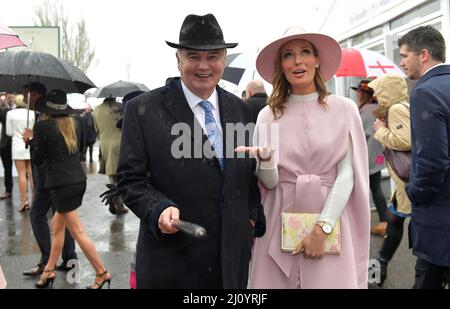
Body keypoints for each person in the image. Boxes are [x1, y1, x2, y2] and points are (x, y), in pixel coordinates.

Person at [117, 13, 262, 289]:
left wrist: (251, 216)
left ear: (224, 60)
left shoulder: (240, 109)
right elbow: (130, 181)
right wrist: (158, 208)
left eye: (214, 56)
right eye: (194, 56)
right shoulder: (143, 111)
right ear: (179, 60)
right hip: (173, 264)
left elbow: (245, 174)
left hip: (231, 264)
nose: (204, 66)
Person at [237, 27, 370, 289]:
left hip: (330, 216)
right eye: (288, 55)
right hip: (278, 219)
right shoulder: (267, 115)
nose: (297, 61)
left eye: (305, 52)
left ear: (317, 59)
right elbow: (270, 182)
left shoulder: (345, 109)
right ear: (281, 66)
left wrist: (323, 229)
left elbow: (347, 175)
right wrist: (265, 161)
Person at [29, 89, 111, 289]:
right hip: (77, 180)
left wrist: (31, 141)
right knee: (58, 228)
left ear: (47, 109)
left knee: (78, 232)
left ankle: (102, 273)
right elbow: (81, 148)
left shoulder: (42, 126)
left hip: (60, 185)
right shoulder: (76, 122)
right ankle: (48, 271)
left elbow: (38, 159)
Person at [398, 26, 450, 289]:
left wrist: (414, 192)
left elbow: (433, 161)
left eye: (405, 55)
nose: (401, 62)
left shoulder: (425, 92)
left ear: (424, 55)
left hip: (439, 220)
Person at [22, 83, 78, 278]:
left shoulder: (44, 118)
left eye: (26, 93)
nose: (23, 97)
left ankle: (47, 261)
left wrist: (32, 140)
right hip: (67, 178)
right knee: (63, 218)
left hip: (49, 179)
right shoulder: (67, 120)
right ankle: (70, 259)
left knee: (37, 215)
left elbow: (40, 155)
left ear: (36, 94)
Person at [368, 74, 411, 287]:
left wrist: (380, 130)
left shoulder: (397, 109)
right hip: (404, 183)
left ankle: (377, 268)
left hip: (408, 182)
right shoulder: (400, 107)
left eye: (379, 90)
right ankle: (378, 267)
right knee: (395, 222)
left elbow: (405, 141)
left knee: (401, 224)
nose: (376, 95)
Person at [351, 80, 388, 236]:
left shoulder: (366, 111)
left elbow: (361, 136)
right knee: (376, 188)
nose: (357, 94)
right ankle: (385, 221)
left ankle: (378, 222)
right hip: (378, 156)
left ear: (366, 94)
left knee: (364, 190)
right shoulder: (377, 109)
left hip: (368, 157)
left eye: (359, 91)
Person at [93, 97, 128, 215]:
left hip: (106, 144)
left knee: (112, 176)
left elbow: (96, 129)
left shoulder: (97, 110)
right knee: (125, 174)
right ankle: (119, 202)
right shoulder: (120, 107)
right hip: (122, 143)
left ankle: (116, 202)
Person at [6, 94, 34, 211]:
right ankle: (34, 201)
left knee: (21, 174)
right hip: (30, 145)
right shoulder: (31, 113)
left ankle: (23, 202)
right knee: (32, 174)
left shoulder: (10, 114)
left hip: (17, 146)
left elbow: (9, 132)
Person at [0, 93, 15, 200]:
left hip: (19, 144)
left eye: (11, 97)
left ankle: (26, 191)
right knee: (7, 168)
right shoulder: (3, 111)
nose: (10, 99)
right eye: (8, 98)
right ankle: (8, 190)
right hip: (5, 144)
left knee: (25, 170)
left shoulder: (21, 110)